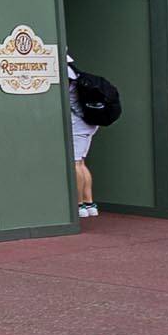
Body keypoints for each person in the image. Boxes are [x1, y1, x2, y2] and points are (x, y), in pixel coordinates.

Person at [64, 54, 99, 216]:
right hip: (89, 123)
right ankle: (89, 203)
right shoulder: (75, 72)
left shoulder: (67, 74)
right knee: (81, 163)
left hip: (78, 124)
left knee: (75, 163)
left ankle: (79, 205)